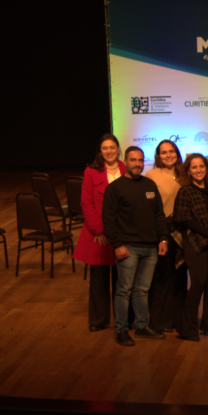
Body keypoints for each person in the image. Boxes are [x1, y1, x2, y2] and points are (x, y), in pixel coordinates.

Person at [101, 146, 169, 346]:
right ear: (125, 161)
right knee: (124, 290)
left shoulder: (149, 184)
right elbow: (108, 219)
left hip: (151, 248)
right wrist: (117, 244)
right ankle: (121, 330)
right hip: (128, 248)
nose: (137, 164)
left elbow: (158, 214)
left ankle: (141, 326)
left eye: (140, 160)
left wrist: (163, 238)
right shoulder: (115, 188)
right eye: (133, 160)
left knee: (142, 290)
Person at [74, 134, 125, 332]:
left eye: (112, 147)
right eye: (105, 148)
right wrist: (99, 230)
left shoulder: (125, 168)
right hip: (99, 235)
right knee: (99, 280)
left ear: (118, 149)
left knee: (122, 280)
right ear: (100, 151)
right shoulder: (91, 171)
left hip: (122, 233)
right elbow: (86, 203)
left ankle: (123, 319)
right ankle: (98, 320)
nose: (109, 151)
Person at [173, 153, 208, 341]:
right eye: (194, 167)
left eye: (201, 166)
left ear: (207, 168)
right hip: (195, 242)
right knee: (198, 283)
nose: (198, 170)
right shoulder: (185, 191)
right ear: (188, 171)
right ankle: (187, 329)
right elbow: (184, 218)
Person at [145, 139, 187, 334]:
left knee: (180, 276)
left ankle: (179, 319)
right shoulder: (152, 175)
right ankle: (160, 321)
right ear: (158, 156)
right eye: (164, 152)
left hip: (183, 230)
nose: (168, 155)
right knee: (161, 276)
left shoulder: (185, 174)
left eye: (171, 151)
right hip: (163, 229)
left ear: (177, 153)